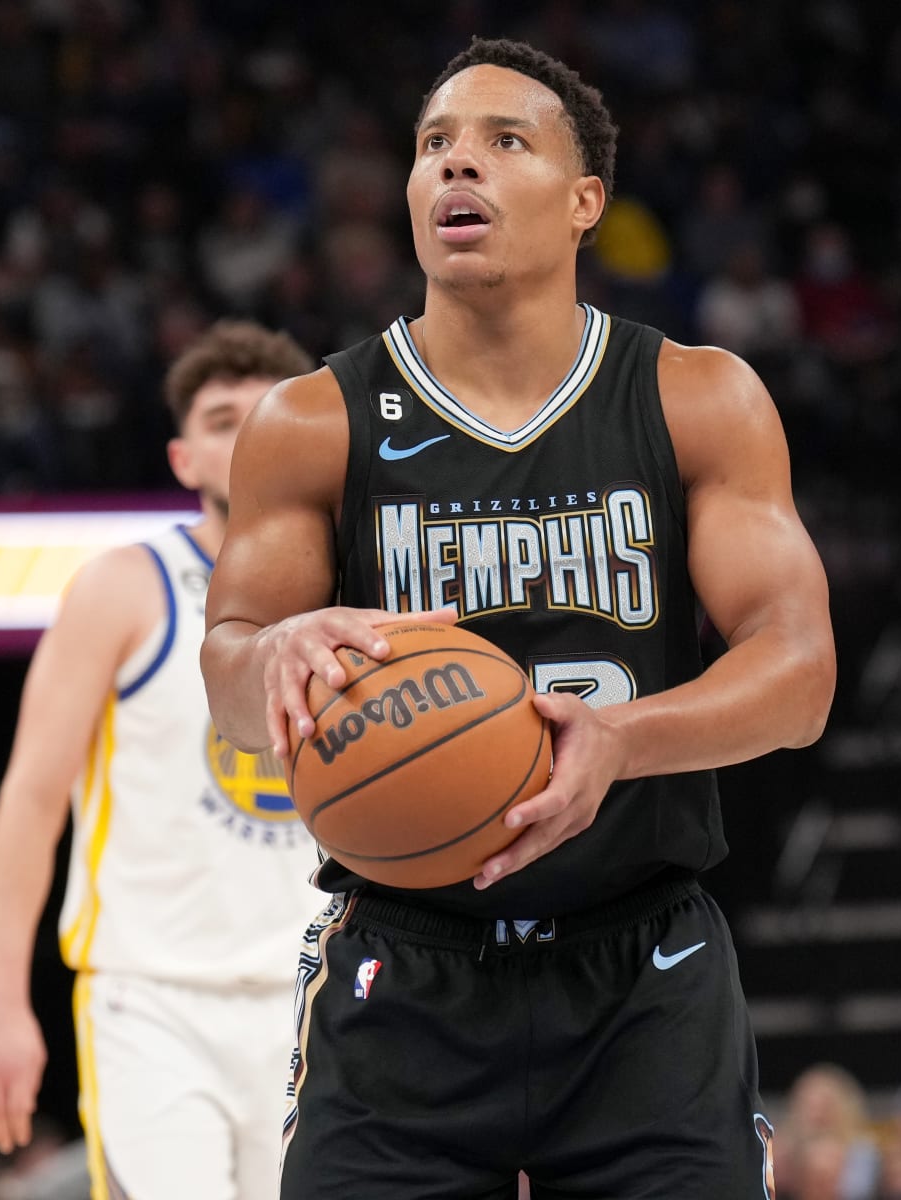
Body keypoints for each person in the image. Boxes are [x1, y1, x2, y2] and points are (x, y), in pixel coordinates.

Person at [200, 37, 835, 1199]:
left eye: (504, 143)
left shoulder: (695, 397)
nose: (457, 169)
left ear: (585, 199)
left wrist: (628, 741)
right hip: (406, 973)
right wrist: (274, 654)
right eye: (434, 145)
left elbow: (798, 676)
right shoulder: (312, 422)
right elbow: (232, 689)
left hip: (644, 971)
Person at [0, 321, 324, 1200]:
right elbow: (31, 800)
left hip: (321, 996)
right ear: (182, 458)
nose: (245, 436)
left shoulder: (359, 595)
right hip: (152, 1001)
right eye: (220, 419)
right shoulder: (124, 585)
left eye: (268, 415)